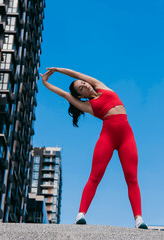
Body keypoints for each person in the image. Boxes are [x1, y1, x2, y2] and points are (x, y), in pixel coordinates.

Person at [40, 67, 148, 229]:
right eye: (81, 88)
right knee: (95, 177)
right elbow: (64, 94)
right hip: (108, 138)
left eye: (84, 83)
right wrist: (46, 83)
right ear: (79, 96)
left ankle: (139, 219)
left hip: (127, 137)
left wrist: (57, 70)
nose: (85, 85)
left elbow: (76, 74)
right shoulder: (87, 105)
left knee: (132, 178)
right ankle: (80, 215)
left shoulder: (100, 86)